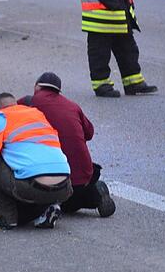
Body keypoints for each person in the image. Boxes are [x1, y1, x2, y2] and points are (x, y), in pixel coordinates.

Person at [0, 92, 73, 229]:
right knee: (27, 164)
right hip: (65, 186)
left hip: (30, 187)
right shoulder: (37, 114)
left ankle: (6, 217)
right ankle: (47, 208)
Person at [20, 72, 115, 217]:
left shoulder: (28, 102)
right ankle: (95, 194)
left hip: (53, 181)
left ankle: (51, 203)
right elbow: (89, 133)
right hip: (83, 179)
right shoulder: (72, 106)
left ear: (37, 87)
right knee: (75, 196)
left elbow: (4, 117)